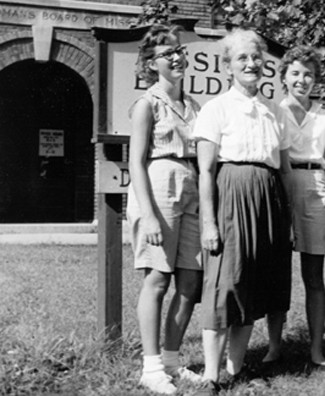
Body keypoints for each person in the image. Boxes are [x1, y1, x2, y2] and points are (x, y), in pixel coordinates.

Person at [192, 29, 292, 396]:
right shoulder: (215, 109)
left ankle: (235, 368)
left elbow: (283, 170)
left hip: (268, 199)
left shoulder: (274, 112)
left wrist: (289, 217)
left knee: (252, 285)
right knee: (225, 283)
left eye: (256, 58)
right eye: (242, 59)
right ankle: (211, 374)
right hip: (231, 195)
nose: (251, 64)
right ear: (228, 66)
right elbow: (206, 171)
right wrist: (208, 222)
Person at [126, 24, 203, 395]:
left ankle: (173, 360)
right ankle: (152, 367)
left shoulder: (193, 106)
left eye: (178, 50)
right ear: (150, 63)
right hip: (158, 188)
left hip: (191, 188)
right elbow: (137, 162)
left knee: (190, 281)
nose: (175, 56)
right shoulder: (147, 104)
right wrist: (150, 214)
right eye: (165, 53)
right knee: (158, 278)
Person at [263, 45, 325, 374]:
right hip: (281, 185)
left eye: (308, 74)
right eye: (295, 72)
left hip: (315, 188)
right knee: (278, 274)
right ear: (283, 77)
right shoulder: (271, 112)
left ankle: (317, 349)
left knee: (314, 276)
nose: (302, 79)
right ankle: (274, 346)